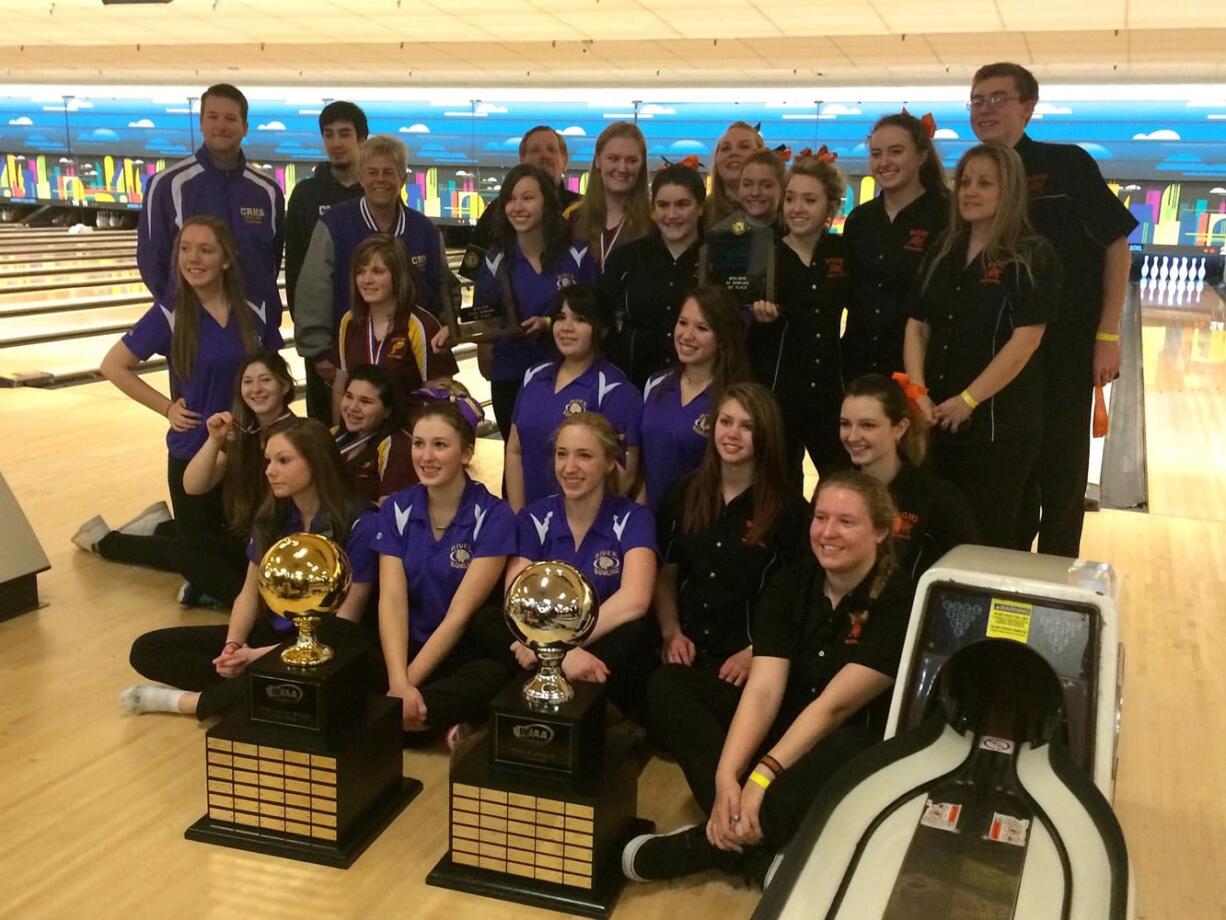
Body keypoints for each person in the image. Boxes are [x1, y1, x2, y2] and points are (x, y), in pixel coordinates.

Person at [625, 471, 913, 886]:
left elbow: (835, 707)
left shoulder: (899, 600)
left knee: (851, 748)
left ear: (881, 531)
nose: (828, 532)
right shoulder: (791, 583)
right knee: (670, 685)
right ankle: (751, 841)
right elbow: (762, 691)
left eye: (846, 522)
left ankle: (710, 847)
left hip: (842, 740)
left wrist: (761, 774)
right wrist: (727, 775)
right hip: (784, 724)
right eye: (820, 518)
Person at [968, 62, 1138, 557]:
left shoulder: (1067, 166)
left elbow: (1115, 245)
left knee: (1062, 475)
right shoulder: (975, 174)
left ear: (1028, 108)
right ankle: (1003, 577)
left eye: (998, 98)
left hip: (1063, 349)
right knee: (1008, 477)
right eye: (977, 99)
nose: (986, 108)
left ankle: (1056, 588)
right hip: (998, 353)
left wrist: (1107, 336)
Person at [120, 419, 382, 719]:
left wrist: (259, 656)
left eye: (284, 461)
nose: (270, 470)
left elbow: (345, 623)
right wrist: (234, 646)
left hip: (327, 646)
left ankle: (192, 703)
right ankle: (256, 691)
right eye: (268, 461)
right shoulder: (274, 515)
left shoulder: (361, 522)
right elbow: (248, 594)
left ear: (317, 461)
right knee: (147, 649)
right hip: (272, 632)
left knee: (311, 674)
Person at [75, 216, 275, 574]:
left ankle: (158, 527)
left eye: (205, 250)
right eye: (185, 249)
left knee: (238, 546)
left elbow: (272, 373)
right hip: (194, 448)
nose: (193, 259)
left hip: (245, 448)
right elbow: (113, 365)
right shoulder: (170, 314)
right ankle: (107, 541)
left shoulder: (252, 309)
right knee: (195, 554)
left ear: (226, 259)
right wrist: (167, 408)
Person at [903, 144, 1062, 549]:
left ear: (1008, 190)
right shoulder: (943, 250)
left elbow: (1025, 341)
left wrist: (969, 400)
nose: (970, 192)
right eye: (966, 183)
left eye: (985, 183)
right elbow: (917, 327)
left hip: (999, 427)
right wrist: (918, 393)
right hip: (935, 416)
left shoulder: (1032, 256)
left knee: (987, 537)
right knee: (933, 532)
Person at [374, 391, 518, 740]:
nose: (426, 456)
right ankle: (432, 721)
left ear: (466, 452)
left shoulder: (494, 515)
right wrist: (399, 681)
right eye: (419, 444)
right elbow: (391, 599)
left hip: (461, 653)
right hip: (404, 648)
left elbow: (460, 614)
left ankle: (402, 718)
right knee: (349, 655)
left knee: (494, 675)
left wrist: (403, 687)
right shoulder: (396, 508)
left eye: (440, 445)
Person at [653, 383, 809, 694]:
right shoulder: (683, 493)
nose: (732, 434)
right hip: (687, 649)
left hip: (749, 660)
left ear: (765, 434)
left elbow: (798, 595)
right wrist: (671, 633)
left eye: (747, 426)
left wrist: (757, 651)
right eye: (725, 422)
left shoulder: (791, 510)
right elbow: (666, 574)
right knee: (660, 686)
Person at [504, 413, 658, 717]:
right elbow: (517, 596)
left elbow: (636, 600)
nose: (569, 467)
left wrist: (559, 649)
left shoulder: (632, 518)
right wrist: (557, 652)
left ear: (610, 462)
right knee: (492, 626)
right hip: (545, 641)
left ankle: (599, 717)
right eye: (562, 454)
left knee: (634, 635)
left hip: (599, 641)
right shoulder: (535, 517)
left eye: (584, 456)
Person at [294, 135, 451, 420]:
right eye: (373, 172)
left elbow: (443, 285)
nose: (381, 180)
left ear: (403, 178)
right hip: (351, 352)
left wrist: (447, 327)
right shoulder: (334, 224)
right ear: (360, 177)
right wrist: (318, 349)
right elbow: (313, 289)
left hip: (411, 358)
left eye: (389, 172)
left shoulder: (424, 229)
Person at [138, 83, 285, 338]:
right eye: (213, 117)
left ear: (244, 127)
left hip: (256, 329)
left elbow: (270, 259)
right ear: (201, 123)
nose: (221, 125)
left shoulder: (267, 191)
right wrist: (181, 313)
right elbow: (153, 261)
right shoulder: (167, 184)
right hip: (192, 332)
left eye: (230, 118)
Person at [471, 163, 599, 438]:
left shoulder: (576, 254)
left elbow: (596, 310)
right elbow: (485, 315)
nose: (517, 207)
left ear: (546, 203)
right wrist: (461, 329)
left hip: (569, 371)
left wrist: (551, 322)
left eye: (528, 198)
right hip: (512, 375)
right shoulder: (495, 259)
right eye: (510, 199)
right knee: (516, 455)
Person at [747, 155, 850, 481]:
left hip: (830, 398)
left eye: (809, 200)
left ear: (829, 206)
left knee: (841, 483)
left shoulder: (842, 252)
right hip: (779, 400)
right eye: (790, 198)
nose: (797, 208)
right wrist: (755, 317)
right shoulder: (764, 254)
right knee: (779, 493)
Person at [174, 350, 297, 607]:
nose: (256, 389)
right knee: (187, 546)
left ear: (284, 386)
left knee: (179, 550)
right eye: (247, 382)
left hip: (280, 542)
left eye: (265, 380)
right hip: (247, 540)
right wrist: (214, 439)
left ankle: (253, 603)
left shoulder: (299, 434)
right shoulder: (243, 432)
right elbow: (193, 486)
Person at [505, 286, 642, 511]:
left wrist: (580, 527)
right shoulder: (534, 376)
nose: (566, 328)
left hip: (582, 530)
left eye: (579, 319)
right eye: (560, 318)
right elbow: (514, 450)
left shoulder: (614, 390)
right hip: (532, 525)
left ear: (602, 329)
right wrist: (520, 518)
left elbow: (624, 474)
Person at [842, 111, 950, 381]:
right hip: (858, 365)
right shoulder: (860, 219)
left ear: (921, 156)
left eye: (896, 152)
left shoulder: (946, 216)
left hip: (920, 370)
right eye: (876, 154)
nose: (884, 162)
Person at [840, 373, 981, 580]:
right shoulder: (834, 487)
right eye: (845, 424)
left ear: (900, 428)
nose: (852, 436)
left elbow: (969, 573)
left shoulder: (937, 500)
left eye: (867, 425)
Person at [285, 101, 369, 420]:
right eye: (328, 134)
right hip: (325, 338)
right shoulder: (306, 195)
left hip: (373, 335)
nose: (335, 143)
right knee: (324, 432)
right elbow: (296, 274)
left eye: (344, 134)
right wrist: (315, 346)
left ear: (362, 139)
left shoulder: (374, 190)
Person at [639, 286, 750, 509]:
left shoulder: (735, 397)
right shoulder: (656, 384)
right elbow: (644, 462)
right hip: (651, 520)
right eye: (682, 323)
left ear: (722, 337)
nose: (687, 335)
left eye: (701, 327)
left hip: (701, 521)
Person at [601, 163, 705, 388]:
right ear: (653, 209)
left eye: (683, 204)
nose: (672, 214)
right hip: (634, 386)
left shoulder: (717, 258)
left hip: (701, 390)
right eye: (663, 205)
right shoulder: (627, 258)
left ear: (700, 207)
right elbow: (602, 318)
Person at [332, 234, 457, 420]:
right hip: (360, 438)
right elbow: (341, 385)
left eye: (378, 271)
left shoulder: (421, 326)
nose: (366, 280)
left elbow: (438, 398)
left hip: (406, 438)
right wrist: (340, 437)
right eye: (360, 271)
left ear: (398, 276)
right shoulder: (349, 321)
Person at [461, 125, 580, 276]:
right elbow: (476, 274)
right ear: (522, 161)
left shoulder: (582, 209)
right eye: (535, 150)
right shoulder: (500, 208)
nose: (544, 155)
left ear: (565, 161)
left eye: (551, 149)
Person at [567, 121, 651, 268]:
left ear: (642, 165)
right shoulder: (573, 218)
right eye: (613, 158)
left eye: (631, 160)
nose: (622, 168)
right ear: (598, 161)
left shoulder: (653, 223)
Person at [333, 364, 417, 503]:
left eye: (365, 401)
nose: (352, 407)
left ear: (388, 411)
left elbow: (390, 514)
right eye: (349, 396)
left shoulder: (396, 448)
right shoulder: (334, 435)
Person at [706, 121, 765, 225]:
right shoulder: (701, 213)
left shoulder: (782, 211)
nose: (733, 153)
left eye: (744, 147)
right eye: (725, 148)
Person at [735, 149, 785, 230]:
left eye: (766, 186)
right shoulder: (721, 237)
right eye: (747, 185)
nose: (755, 193)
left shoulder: (797, 234)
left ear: (782, 189)